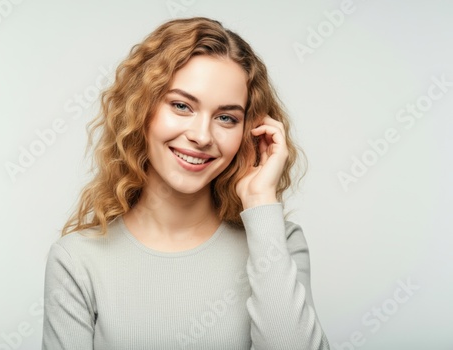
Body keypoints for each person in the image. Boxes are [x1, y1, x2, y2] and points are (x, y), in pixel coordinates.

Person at [42, 16, 330, 350]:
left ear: (248, 130)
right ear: (141, 108)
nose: (202, 136)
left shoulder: (278, 241)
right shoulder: (77, 260)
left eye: (226, 118)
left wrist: (260, 200)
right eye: (181, 106)